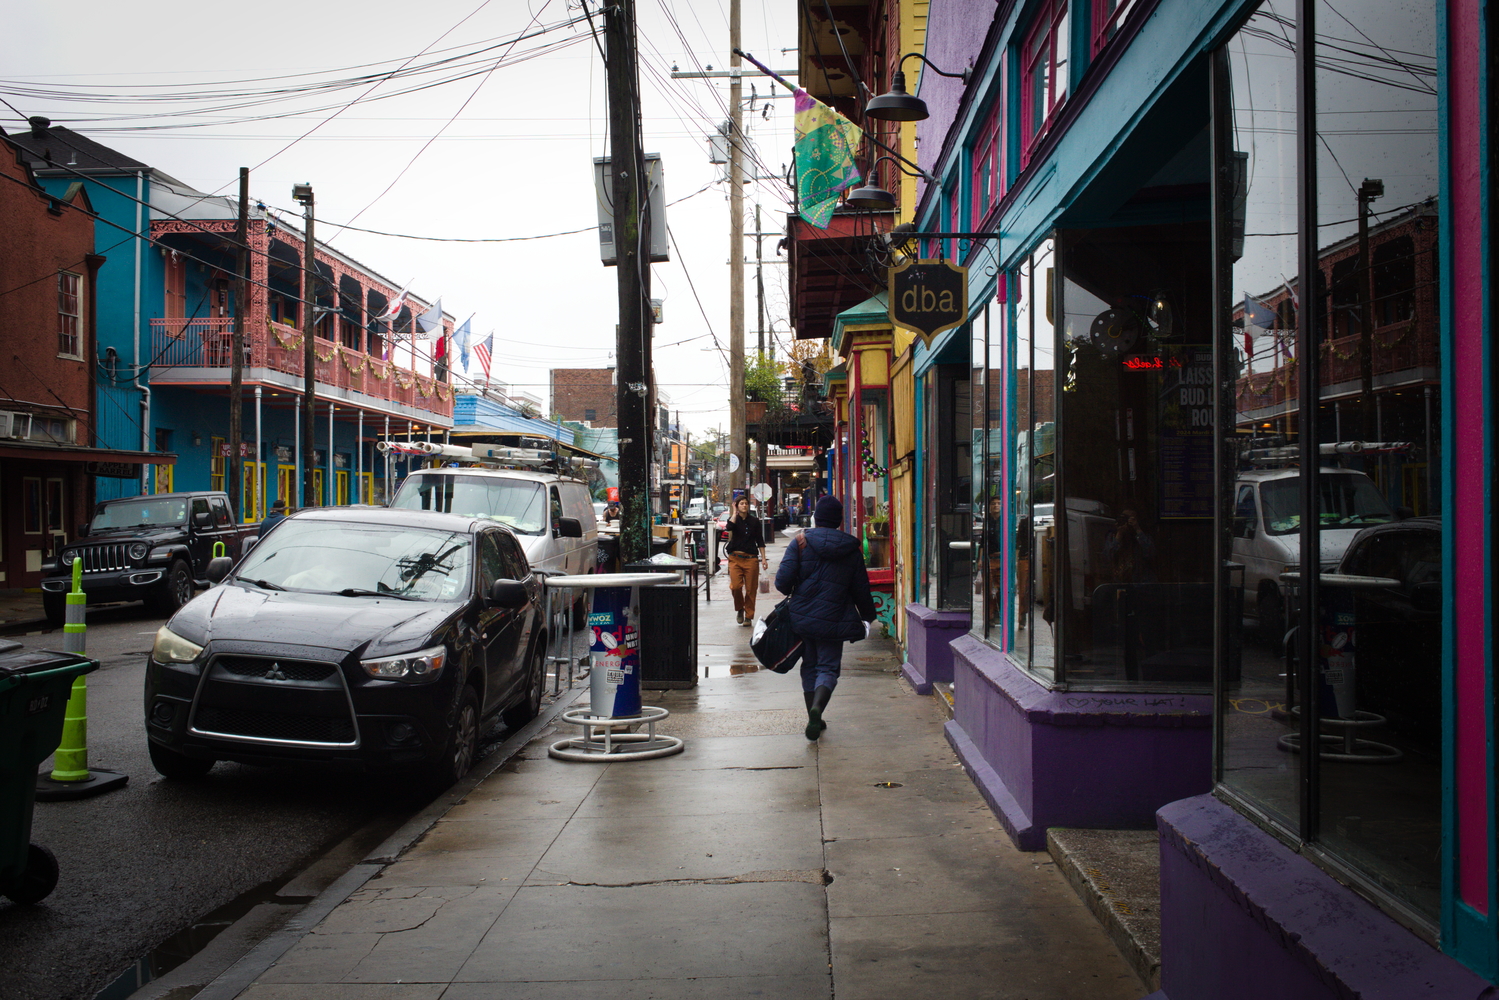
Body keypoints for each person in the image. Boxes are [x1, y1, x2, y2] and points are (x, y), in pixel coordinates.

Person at [775, 496, 877, 742]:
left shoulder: (800, 542)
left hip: (803, 616)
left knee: (809, 665)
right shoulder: (852, 549)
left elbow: (781, 583)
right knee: (828, 667)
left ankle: (814, 716)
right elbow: (861, 589)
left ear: (816, 518)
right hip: (835, 619)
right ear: (840, 520)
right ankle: (818, 709)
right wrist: (868, 617)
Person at [723, 496, 768, 626]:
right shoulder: (734, 519)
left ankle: (748, 616)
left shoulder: (754, 521)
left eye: (746, 504)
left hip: (751, 559)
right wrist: (733, 511)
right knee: (736, 586)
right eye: (741, 504)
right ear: (737, 505)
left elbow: (760, 540)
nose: (744, 506)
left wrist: (763, 558)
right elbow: (729, 527)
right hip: (735, 558)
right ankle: (739, 608)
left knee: (750, 589)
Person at [1104, 508, 1157, 583]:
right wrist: (1119, 534)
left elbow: (1150, 553)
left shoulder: (1144, 534)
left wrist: (1137, 530)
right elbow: (1108, 557)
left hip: (1141, 582)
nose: (1127, 523)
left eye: (1130, 519)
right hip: (1120, 583)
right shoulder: (1112, 535)